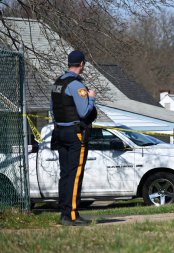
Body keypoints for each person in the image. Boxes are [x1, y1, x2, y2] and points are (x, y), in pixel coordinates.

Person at [50, 50, 97, 226]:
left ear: (69, 63)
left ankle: (64, 213)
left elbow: (52, 110)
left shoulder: (58, 83)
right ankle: (72, 215)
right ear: (82, 64)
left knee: (65, 174)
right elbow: (84, 112)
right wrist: (91, 98)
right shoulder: (76, 86)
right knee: (75, 173)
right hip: (75, 133)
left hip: (60, 132)